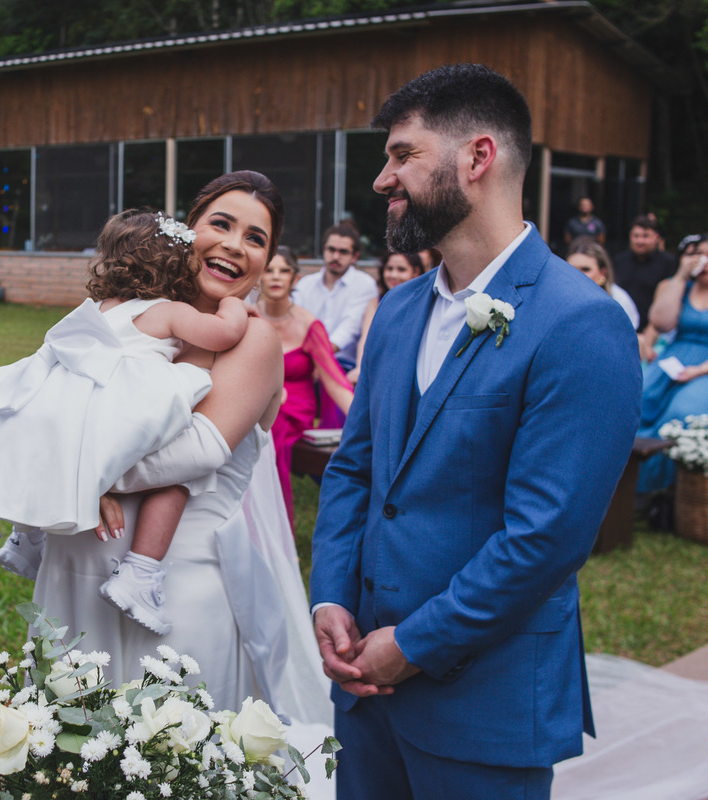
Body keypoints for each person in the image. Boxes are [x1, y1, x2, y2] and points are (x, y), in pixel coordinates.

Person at [310, 64, 641, 800]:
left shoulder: (580, 323)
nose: (383, 179)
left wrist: (414, 644)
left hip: (484, 706)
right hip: (363, 695)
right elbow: (356, 470)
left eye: (403, 154)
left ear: (478, 158)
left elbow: (545, 537)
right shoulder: (396, 313)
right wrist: (330, 596)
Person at [33, 170, 317, 719]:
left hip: (173, 591)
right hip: (74, 569)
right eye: (221, 224)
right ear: (188, 230)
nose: (235, 245)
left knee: (165, 746)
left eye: (256, 238)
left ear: (266, 261)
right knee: (64, 742)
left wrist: (83, 474)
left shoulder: (252, 337)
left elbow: (199, 449)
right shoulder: (134, 314)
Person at [0, 208, 249, 635]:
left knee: (50, 453)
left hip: (72, 403)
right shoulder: (168, 311)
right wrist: (233, 306)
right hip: (123, 406)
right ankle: (140, 572)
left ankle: (27, 537)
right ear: (176, 267)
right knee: (176, 479)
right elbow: (223, 335)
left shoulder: (100, 307)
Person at [257, 245, 353, 526]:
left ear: (295, 278)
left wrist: (365, 422)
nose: (276, 277)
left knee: (269, 430)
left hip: (295, 407)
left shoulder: (309, 325)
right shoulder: (248, 317)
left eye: (284, 270)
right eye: (269, 270)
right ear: (259, 277)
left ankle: (273, 525)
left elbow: (334, 380)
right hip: (257, 400)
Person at [636, 233, 708, 494]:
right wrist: (680, 277)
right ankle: (626, 483)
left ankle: (661, 492)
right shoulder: (683, 287)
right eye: (701, 254)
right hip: (675, 359)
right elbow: (661, 322)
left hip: (704, 368)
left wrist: (698, 371)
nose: (705, 261)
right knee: (639, 397)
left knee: (680, 412)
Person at [290, 223, 379, 370]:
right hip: (306, 361)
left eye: (343, 252)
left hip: (343, 366)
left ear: (355, 257)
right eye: (331, 250)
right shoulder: (305, 284)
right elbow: (295, 324)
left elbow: (348, 330)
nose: (335, 256)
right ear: (323, 250)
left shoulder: (364, 284)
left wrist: (318, 356)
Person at [347, 250, 426, 385]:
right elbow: (366, 337)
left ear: (416, 272)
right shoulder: (376, 301)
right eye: (389, 269)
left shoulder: (424, 302)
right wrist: (360, 368)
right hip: (377, 369)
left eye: (401, 269)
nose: (393, 275)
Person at [614, 215, 677, 330]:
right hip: (620, 325)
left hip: (654, 330)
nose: (640, 241)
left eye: (645, 236)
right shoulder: (619, 261)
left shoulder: (668, 263)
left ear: (656, 237)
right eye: (636, 236)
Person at [566, 236, 641, 329]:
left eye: (585, 269)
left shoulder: (619, 300)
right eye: (571, 269)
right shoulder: (559, 300)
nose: (577, 274)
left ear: (603, 273)